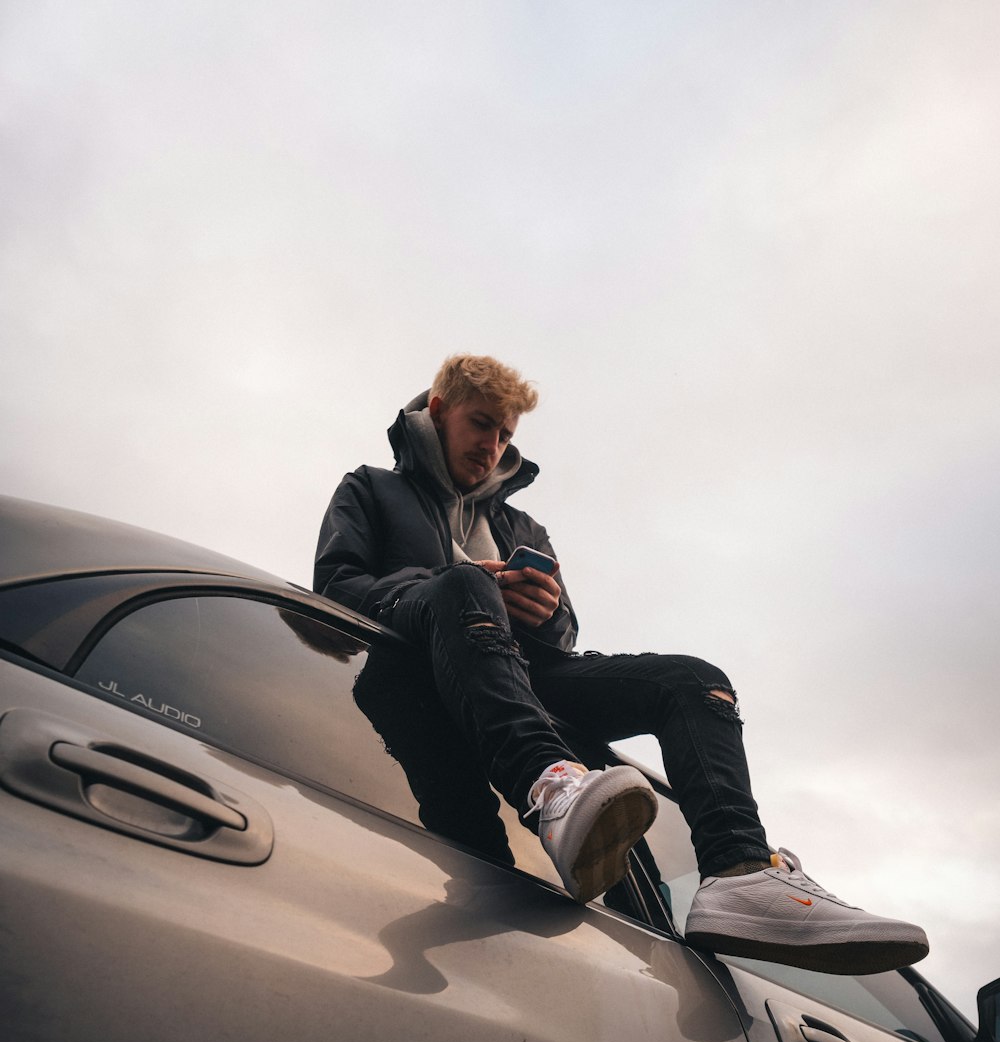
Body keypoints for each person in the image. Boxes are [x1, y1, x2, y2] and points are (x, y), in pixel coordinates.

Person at [314, 354, 929, 974]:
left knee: (694, 681)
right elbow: (333, 590)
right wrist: (461, 586)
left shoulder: (521, 522)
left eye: (506, 435)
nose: (492, 445)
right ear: (439, 412)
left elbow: (565, 637)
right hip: (423, 669)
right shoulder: (370, 488)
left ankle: (740, 872)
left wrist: (543, 609)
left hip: (523, 676)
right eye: (481, 425)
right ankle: (551, 788)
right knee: (464, 587)